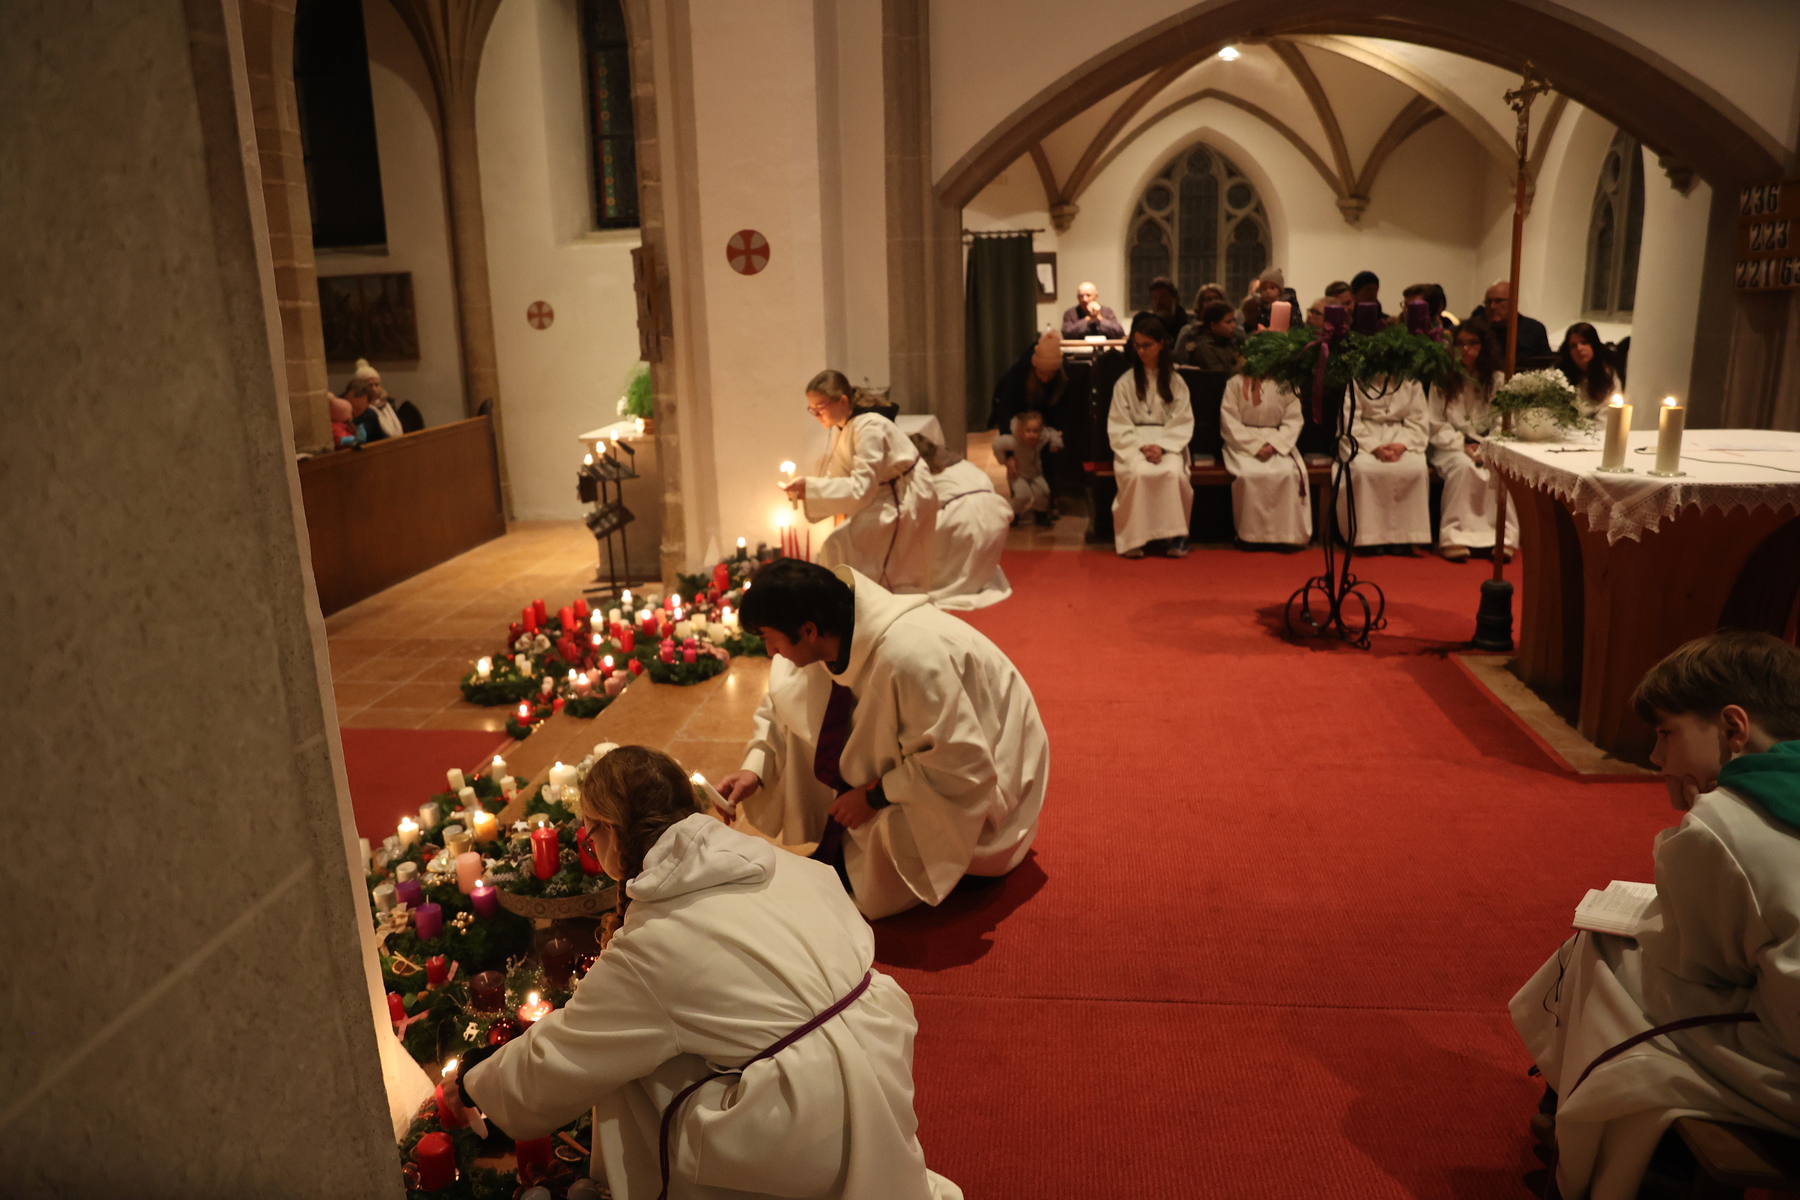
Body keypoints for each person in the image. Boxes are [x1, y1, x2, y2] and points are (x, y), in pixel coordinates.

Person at [446, 744, 962, 1200]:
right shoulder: (789, 865)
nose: (590, 844)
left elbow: (564, 1054)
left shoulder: (654, 943)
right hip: (885, 1059)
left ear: (612, 831)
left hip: (802, 1119)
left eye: (590, 832)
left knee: (630, 1066)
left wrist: (476, 1084)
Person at [1510, 633, 1800, 1200]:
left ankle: (1608, 1152)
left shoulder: (1725, 822)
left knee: (1605, 956)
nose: (1656, 757)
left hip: (1787, 1064)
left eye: (1666, 734)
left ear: (1733, 728)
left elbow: (1703, 965)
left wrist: (1694, 823)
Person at [716, 560, 1048, 920]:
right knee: (808, 719)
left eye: (769, 638)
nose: (769, 652)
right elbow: (783, 707)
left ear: (808, 630)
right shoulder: (832, 627)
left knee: (882, 850)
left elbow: (961, 765)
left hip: (989, 780)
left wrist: (874, 796)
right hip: (945, 756)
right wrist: (756, 769)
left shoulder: (910, 658)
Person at [783, 370, 938, 594]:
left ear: (843, 401)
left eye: (820, 407)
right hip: (880, 494)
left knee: (886, 569)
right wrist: (806, 491)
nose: (816, 414)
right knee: (836, 546)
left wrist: (812, 488)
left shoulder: (870, 427)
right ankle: (851, 603)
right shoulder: (843, 427)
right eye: (812, 409)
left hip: (903, 496)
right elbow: (839, 476)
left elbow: (862, 486)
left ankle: (877, 605)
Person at [1109, 312, 1194, 559]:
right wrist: (1141, 447)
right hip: (1134, 443)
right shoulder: (1125, 383)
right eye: (1136, 345)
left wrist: (1163, 447)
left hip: (1168, 441)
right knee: (1138, 473)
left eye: (1146, 345)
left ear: (1160, 344)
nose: (1141, 351)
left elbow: (1182, 419)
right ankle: (1135, 537)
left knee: (1173, 472)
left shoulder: (1176, 382)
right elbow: (1118, 423)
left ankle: (1177, 534)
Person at [1429, 323, 1517, 561]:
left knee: (1500, 471)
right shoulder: (1443, 379)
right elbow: (1435, 423)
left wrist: (1487, 447)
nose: (1466, 349)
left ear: (1483, 346)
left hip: (1489, 445)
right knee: (1463, 468)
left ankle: (1502, 537)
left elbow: (1504, 420)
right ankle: (1454, 536)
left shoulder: (1497, 380)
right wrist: (1461, 444)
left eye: (1472, 343)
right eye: (1461, 344)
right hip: (1451, 446)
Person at [911, 433, 1014, 610]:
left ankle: (953, 585)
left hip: (960, 518)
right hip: (995, 515)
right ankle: (974, 580)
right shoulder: (961, 462)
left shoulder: (918, 470)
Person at [1337, 374, 1429, 554]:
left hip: (1401, 435)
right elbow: (1350, 420)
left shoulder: (1410, 380)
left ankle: (1404, 538)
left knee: (1415, 468)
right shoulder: (1357, 379)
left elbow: (1418, 419)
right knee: (1363, 469)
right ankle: (1367, 538)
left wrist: (1403, 445)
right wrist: (1374, 447)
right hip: (1364, 437)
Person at [1220, 368, 1311, 548]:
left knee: (1287, 473)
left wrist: (1276, 444)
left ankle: (1285, 535)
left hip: (1277, 439)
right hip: (1244, 441)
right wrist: (1254, 446)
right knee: (1249, 474)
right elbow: (1229, 420)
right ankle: (1251, 536)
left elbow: (1294, 420)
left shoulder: (1286, 384)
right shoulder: (1235, 383)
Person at [991, 410, 1062, 527]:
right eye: (1028, 431)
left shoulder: (1041, 439)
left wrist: (1056, 443)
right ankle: (1011, 514)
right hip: (1018, 474)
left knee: (1043, 492)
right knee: (1022, 496)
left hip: (1035, 473)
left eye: (1035, 431)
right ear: (1020, 430)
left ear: (1040, 431)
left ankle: (1041, 513)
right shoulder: (1014, 441)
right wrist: (1004, 460)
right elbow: (997, 444)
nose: (1032, 435)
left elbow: (1052, 433)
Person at [989, 330, 1067, 432]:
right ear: (1034, 368)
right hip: (1018, 419)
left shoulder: (1063, 378)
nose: (1046, 379)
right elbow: (1006, 410)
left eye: (1051, 374)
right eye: (1042, 373)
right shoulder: (1019, 373)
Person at [1472, 280, 1553, 363]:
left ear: (1514, 301)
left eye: (1499, 301)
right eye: (1488, 302)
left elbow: (1546, 362)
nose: (1492, 306)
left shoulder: (1534, 329)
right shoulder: (1477, 329)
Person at [1555, 322, 1619, 415]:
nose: (1579, 348)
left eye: (1584, 343)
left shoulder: (1608, 374)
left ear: (1594, 345)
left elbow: (1609, 409)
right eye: (1573, 345)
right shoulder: (1559, 375)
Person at [1172, 301, 1245, 371]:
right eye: (1228, 322)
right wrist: (1240, 365)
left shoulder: (1230, 341)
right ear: (1213, 325)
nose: (1234, 325)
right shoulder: (1204, 348)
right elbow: (1218, 375)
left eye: (1233, 321)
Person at [345, 358, 404, 442]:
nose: (374, 389)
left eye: (376, 385)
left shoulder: (388, 403)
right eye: (370, 385)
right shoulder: (366, 412)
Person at [1060, 280, 1125, 339]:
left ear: (1096, 296)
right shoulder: (1070, 313)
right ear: (1077, 297)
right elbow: (1066, 334)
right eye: (1081, 296)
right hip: (1079, 348)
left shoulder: (1107, 311)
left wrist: (1100, 319)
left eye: (1088, 295)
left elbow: (1119, 333)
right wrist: (1088, 319)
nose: (1084, 299)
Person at [1140, 276, 1189, 344]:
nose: (1159, 302)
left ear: (1175, 299)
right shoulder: (1148, 325)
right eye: (1155, 298)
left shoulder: (1187, 325)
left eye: (1163, 296)